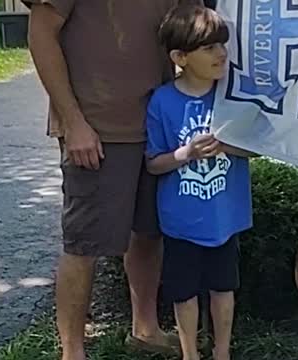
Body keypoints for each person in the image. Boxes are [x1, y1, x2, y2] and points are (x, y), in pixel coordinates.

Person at [24, 0, 203, 359]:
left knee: (149, 233)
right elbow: (41, 34)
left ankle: (145, 329)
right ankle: (72, 352)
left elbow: (197, 24)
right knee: (83, 243)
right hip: (95, 127)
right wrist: (73, 122)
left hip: (159, 121)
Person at [145, 5, 256, 360]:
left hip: (225, 218)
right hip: (180, 222)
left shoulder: (232, 95)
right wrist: (186, 154)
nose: (221, 53)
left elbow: (257, 149)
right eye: (209, 48)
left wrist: (226, 145)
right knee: (184, 292)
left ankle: (222, 352)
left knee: (224, 288)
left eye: (222, 44)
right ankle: (189, 353)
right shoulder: (162, 101)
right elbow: (153, 164)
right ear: (180, 56)